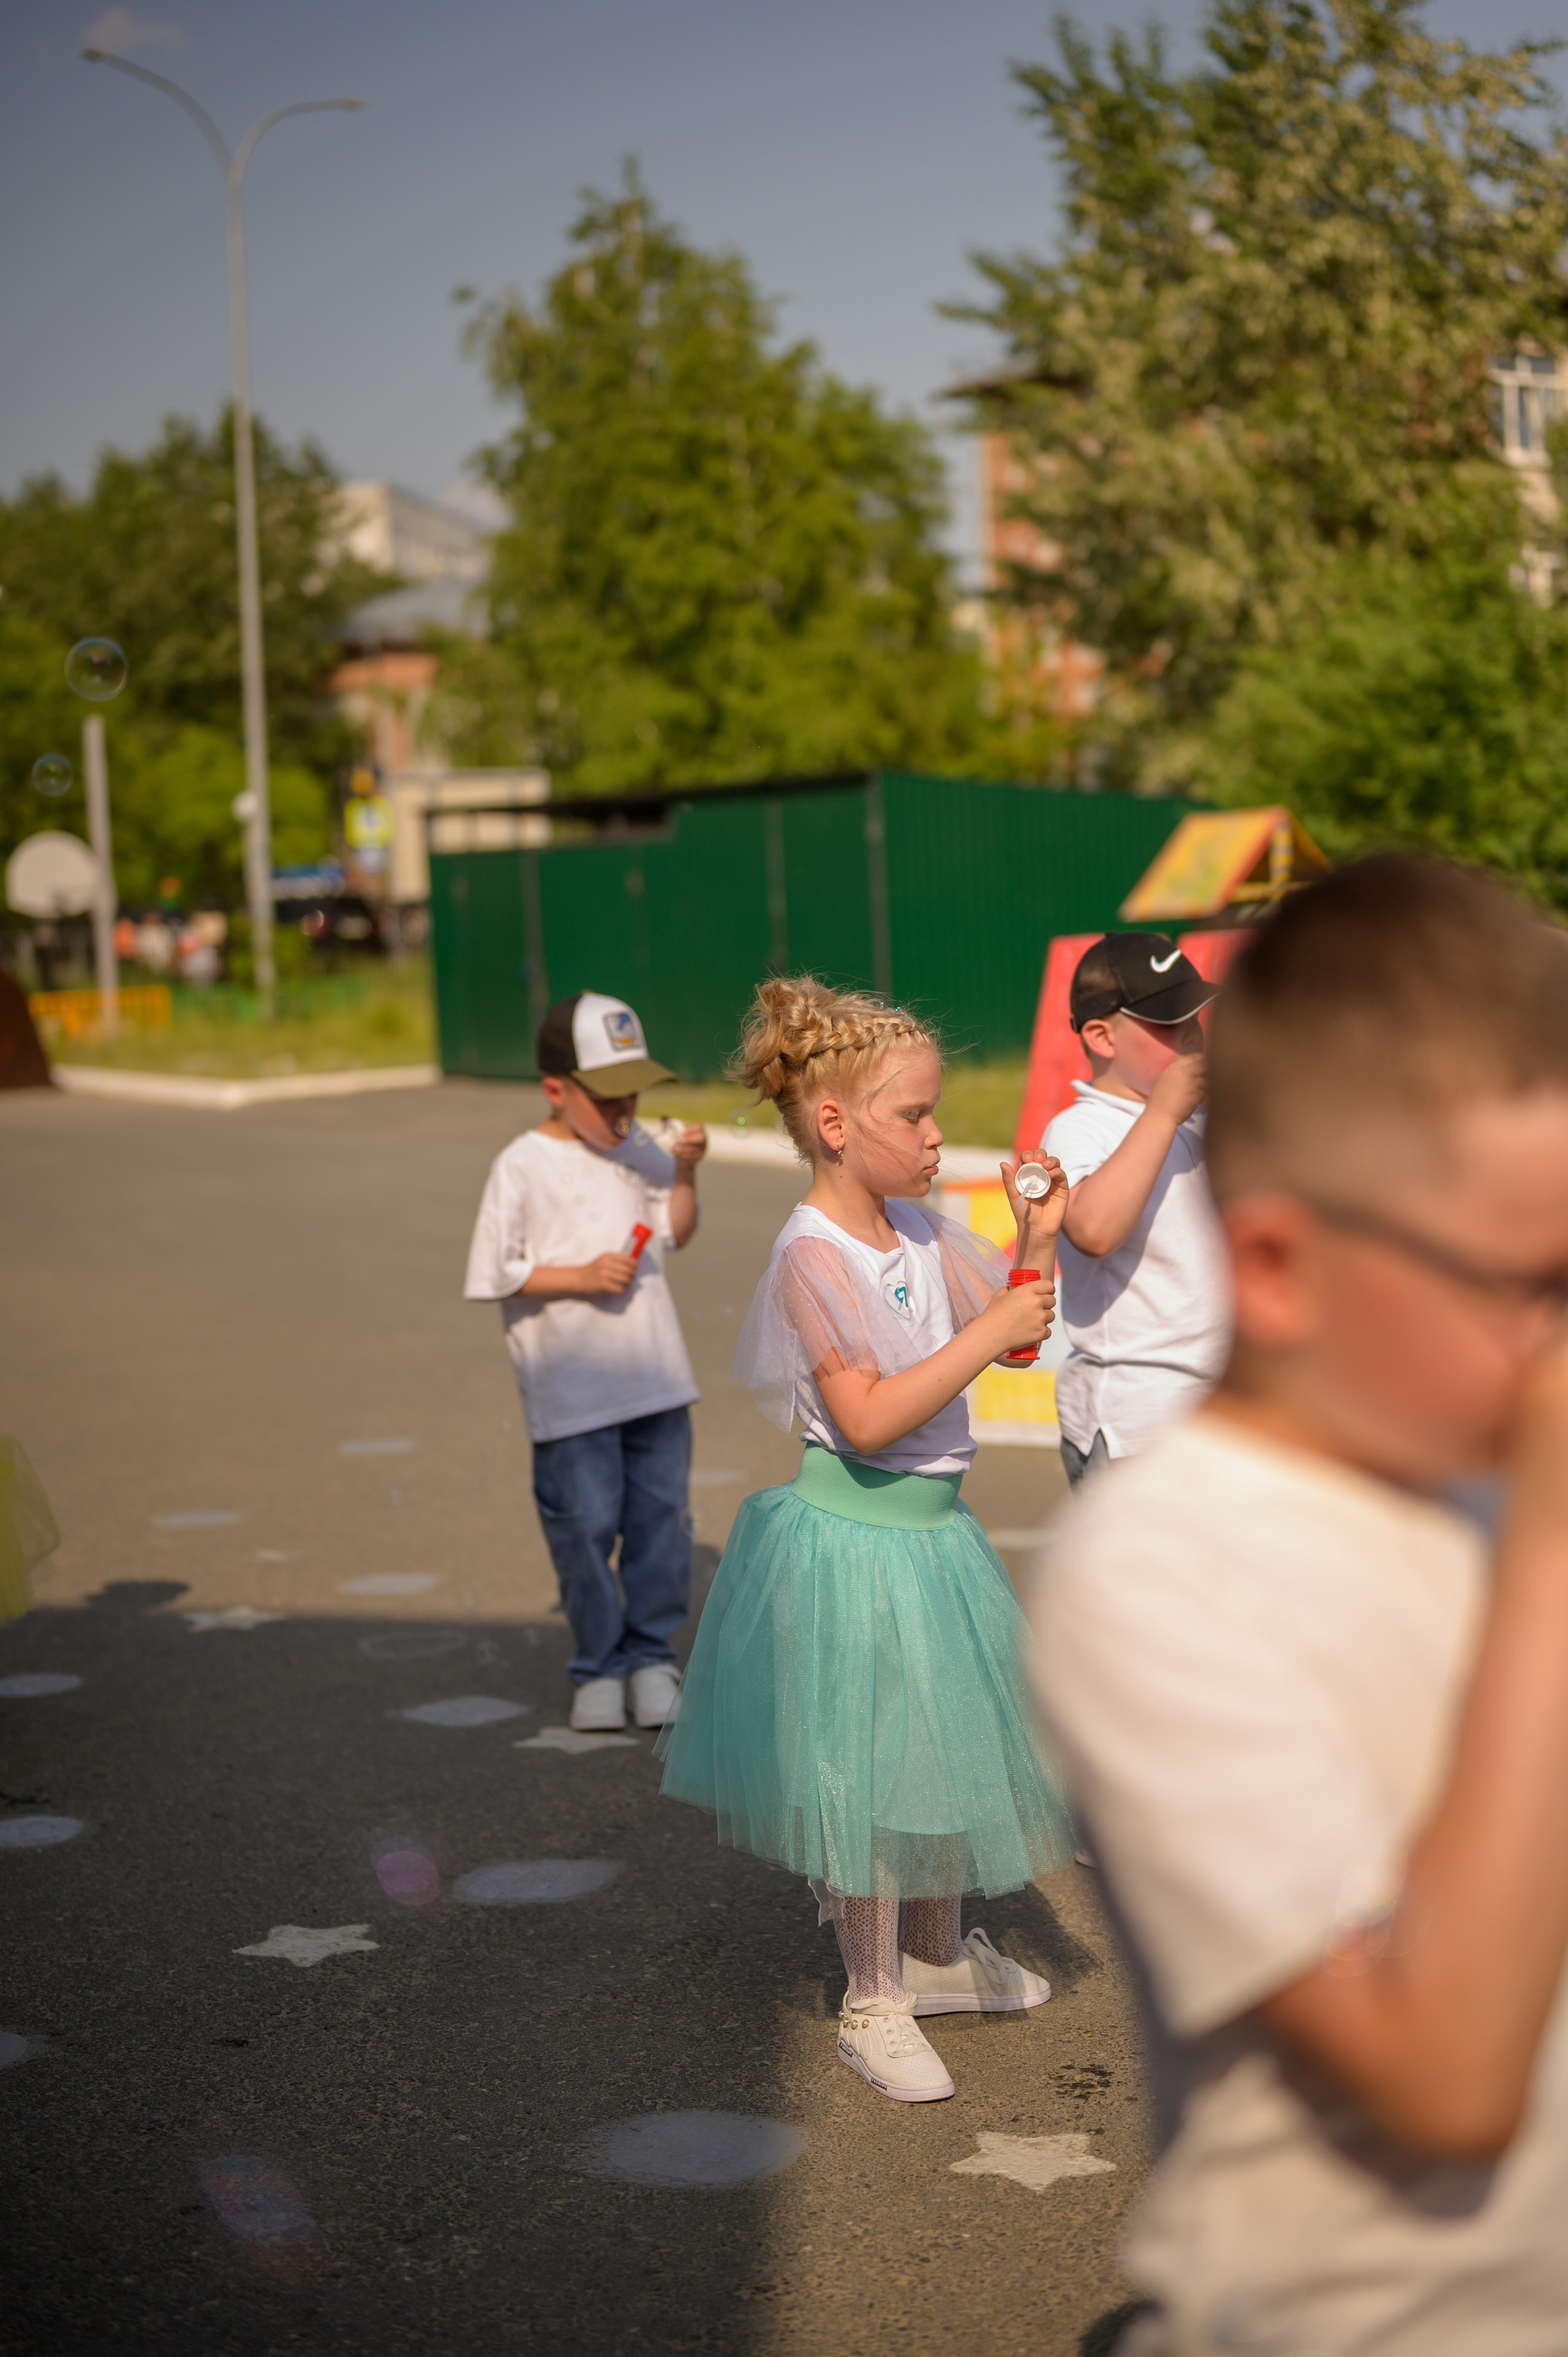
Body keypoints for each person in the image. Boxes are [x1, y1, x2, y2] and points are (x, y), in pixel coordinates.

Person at [1031, 857, 1568, 2356]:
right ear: (1282, 1266)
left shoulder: (1469, 1472)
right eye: (1524, 1283)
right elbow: (1444, 2075)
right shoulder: (1159, 1579)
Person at [658, 978, 1076, 2104]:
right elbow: (871, 1416)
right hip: (854, 1545)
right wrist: (991, 1327)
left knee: (929, 1751)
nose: (940, 1136)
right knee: (868, 1775)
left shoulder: (926, 1230)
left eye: (938, 1112)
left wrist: (1030, 1242)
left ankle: (934, 1961)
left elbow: (1018, 1347)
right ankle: (872, 1997)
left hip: (933, 1541)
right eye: (917, 1117)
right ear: (836, 1125)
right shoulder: (813, 1256)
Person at [465, 992, 707, 1733]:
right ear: (555, 1089)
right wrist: (577, 1276)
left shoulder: (639, 1152)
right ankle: (598, 1665)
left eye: (633, 1088)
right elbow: (493, 1270)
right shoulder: (521, 1165)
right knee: (586, 1526)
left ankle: (650, 1656)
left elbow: (677, 1230)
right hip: (571, 1396)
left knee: (661, 1524)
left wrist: (687, 1172)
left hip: (655, 1379)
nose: (624, 1106)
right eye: (606, 1094)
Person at [1043, 931, 1227, 1487]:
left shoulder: (1197, 1123)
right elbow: (1093, 1229)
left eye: (1195, 1018)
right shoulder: (1079, 1128)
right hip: (1136, 1424)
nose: (1192, 1036)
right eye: (1169, 1024)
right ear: (1102, 1036)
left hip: (1215, 1416)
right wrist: (1164, 1115)